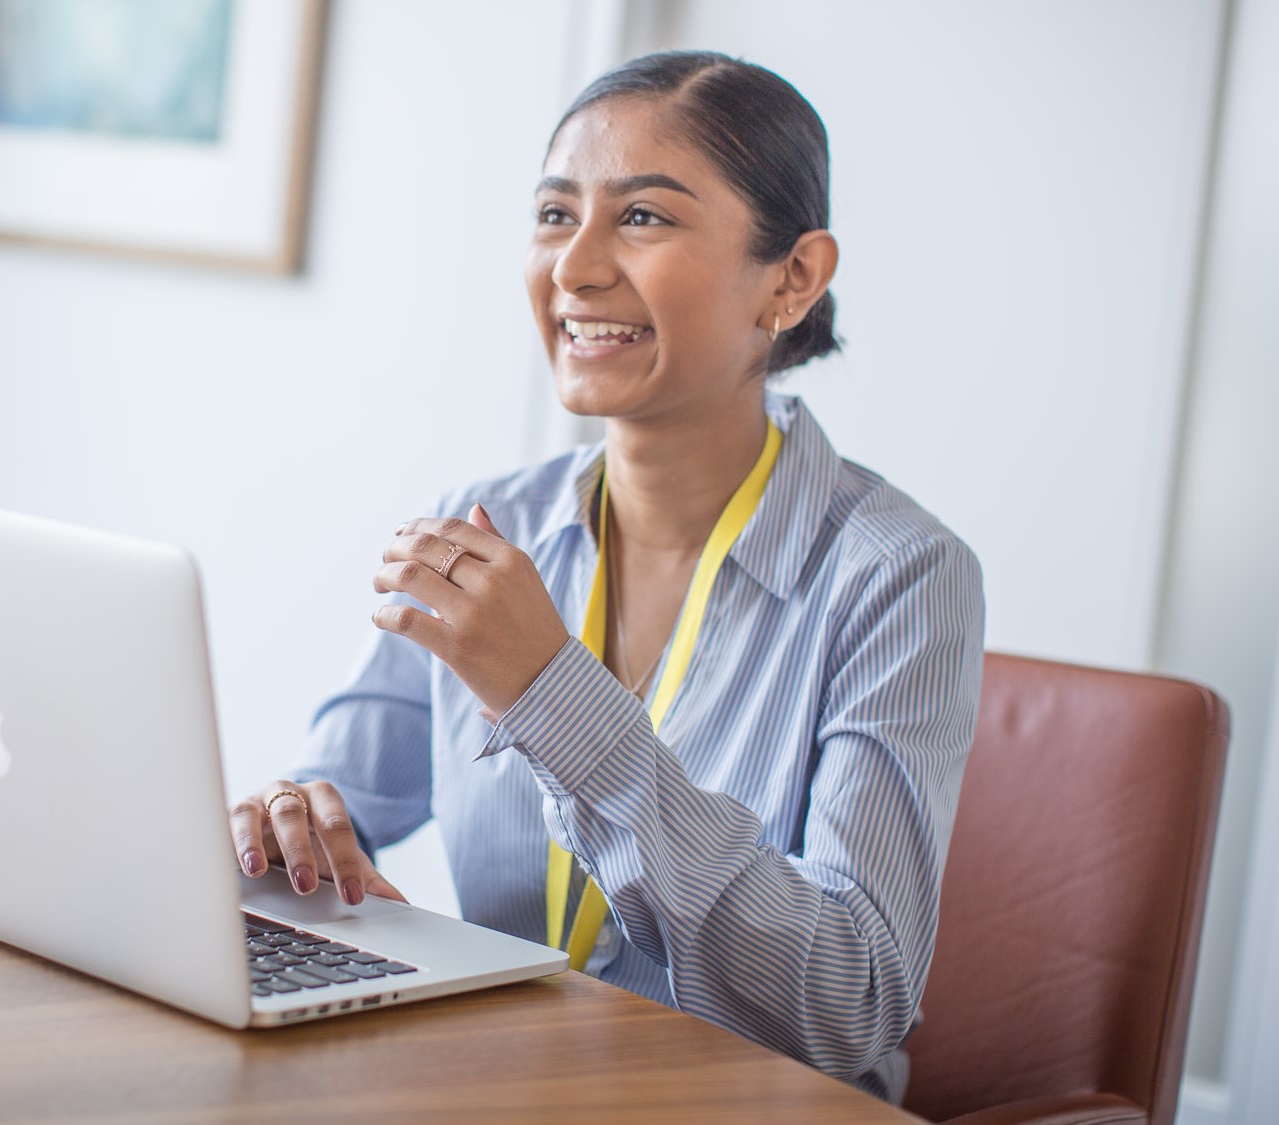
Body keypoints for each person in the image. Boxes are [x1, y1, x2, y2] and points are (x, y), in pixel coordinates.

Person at [226, 50, 984, 1102]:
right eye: (552, 215)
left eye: (641, 219)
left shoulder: (899, 576)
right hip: (504, 1086)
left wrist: (551, 693)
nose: (572, 269)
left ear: (793, 278)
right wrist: (280, 826)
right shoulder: (492, 525)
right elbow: (328, 807)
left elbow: (845, 1005)